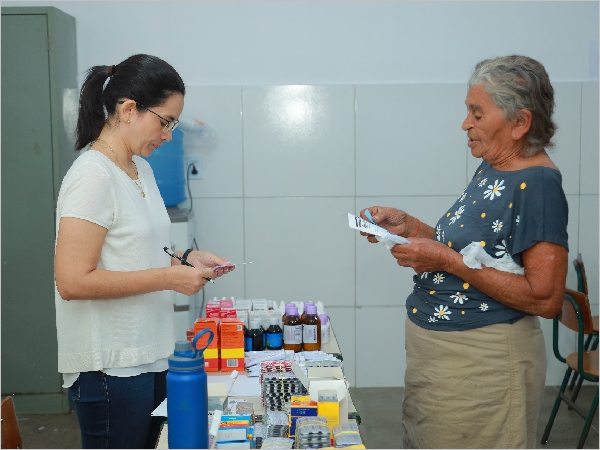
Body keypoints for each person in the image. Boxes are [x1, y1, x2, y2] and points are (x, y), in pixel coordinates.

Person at [360, 55, 568, 449]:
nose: (465, 124)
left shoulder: (537, 184)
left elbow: (545, 298)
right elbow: (476, 249)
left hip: (482, 365)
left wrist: (443, 260)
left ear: (520, 123)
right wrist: (410, 227)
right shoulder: (493, 166)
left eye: (476, 113)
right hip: (441, 357)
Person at [54, 54, 234, 449]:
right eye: (165, 121)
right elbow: (71, 281)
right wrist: (170, 277)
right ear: (129, 109)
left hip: (150, 353)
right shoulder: (92, 177)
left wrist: (186, 260)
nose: (169, 134)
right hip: (110, 365)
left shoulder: (141, 169)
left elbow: (136, 251)